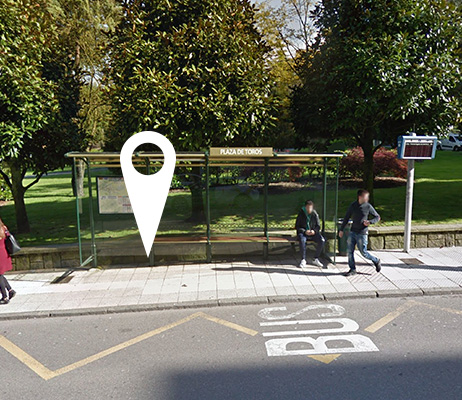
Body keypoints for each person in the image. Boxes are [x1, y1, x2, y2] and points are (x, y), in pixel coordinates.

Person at [339, 189, 382, 276]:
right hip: (353, 232)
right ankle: (352, 269)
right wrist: (341, 229)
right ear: (360, 197)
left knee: (364, 252)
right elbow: (346, 217)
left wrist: (370, 222)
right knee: (350, 251)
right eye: (366, 197)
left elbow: (377, 217)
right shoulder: (353, 205)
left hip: (362, 233)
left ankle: (376, 260)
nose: (367, 199)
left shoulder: (368, 206)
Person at [295, 200, 325, 268]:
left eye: (310, 208)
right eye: (308, 208)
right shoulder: (301, 214)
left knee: (322, 240)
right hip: (303, 233)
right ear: (305, 207)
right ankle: (303, 259)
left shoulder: (314, 214)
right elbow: (297, 226)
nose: (309, 209)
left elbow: (318, 226)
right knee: (302, 240)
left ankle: (315, 258)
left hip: (313, 233)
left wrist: (314, 231)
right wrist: (304, 231)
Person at [0, 218, 16, 304]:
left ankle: (5, 297)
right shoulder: (4, 228)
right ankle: (10, 290)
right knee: (0, 274)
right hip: (4, 253)